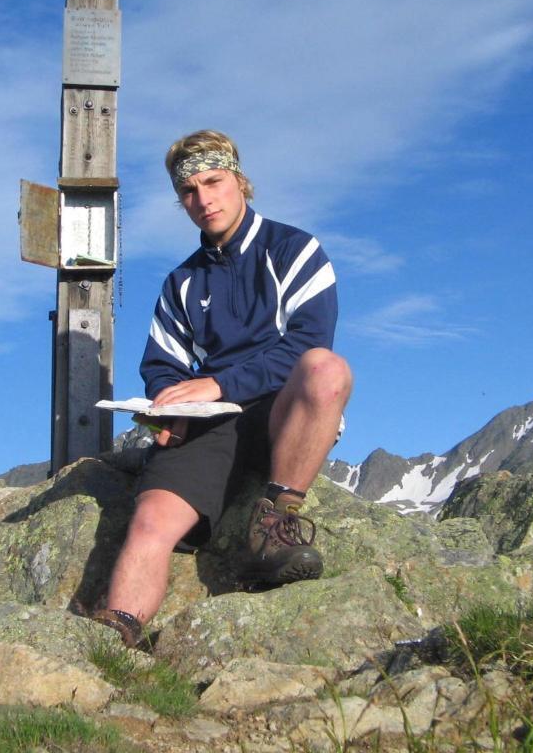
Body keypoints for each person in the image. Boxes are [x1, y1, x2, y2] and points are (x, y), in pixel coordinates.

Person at [93, 130, 352, 647]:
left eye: (213, 182)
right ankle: (114, 637)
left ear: (239, 180)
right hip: (213, 421)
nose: (203, 199)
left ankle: (273, 523)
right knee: (151, 521)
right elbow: (162, 363)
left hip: (282, 412)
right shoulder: (182, 282)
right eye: (188, 191)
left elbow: (308, 342)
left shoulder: (295, 250)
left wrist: (218, 382)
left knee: (327, 369)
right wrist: (171, 407)